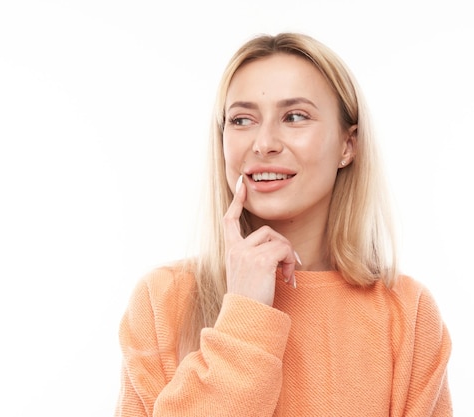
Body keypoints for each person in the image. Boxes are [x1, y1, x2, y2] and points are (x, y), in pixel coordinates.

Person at [114, 32, 452, 416]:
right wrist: (244, 314)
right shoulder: (164, 300)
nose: (264, 143)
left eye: (295, 116)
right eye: (242, 120)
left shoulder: (407, 312)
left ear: (347, 145)